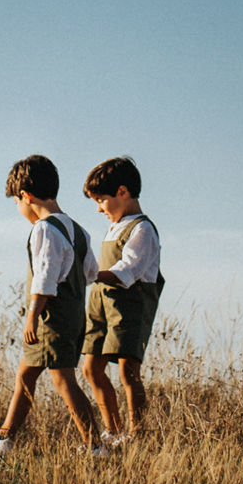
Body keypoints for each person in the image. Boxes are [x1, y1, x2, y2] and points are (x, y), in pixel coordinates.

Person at [0, 155, 104, 457]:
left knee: (62, 379)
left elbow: (45, 276)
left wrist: (32, 316)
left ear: (26, 196)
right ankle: (4, 438)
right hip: (74, 316)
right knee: (26, 373)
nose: (19, 209)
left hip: (50, 317)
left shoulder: (44, 229)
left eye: (17, 203)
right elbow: (90, 273)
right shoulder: (79, 231)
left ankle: (95, 446)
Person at [80, 155, 164, 444]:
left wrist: (89, 274)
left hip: (130, 306)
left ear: (123, 192)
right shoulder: (114, 226)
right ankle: (112, 430)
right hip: (101, 305)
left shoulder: (142, 229)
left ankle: (136, 435)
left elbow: (126, 271)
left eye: (101, 200)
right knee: (91, 369)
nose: (99, 208)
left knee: (129, 373)